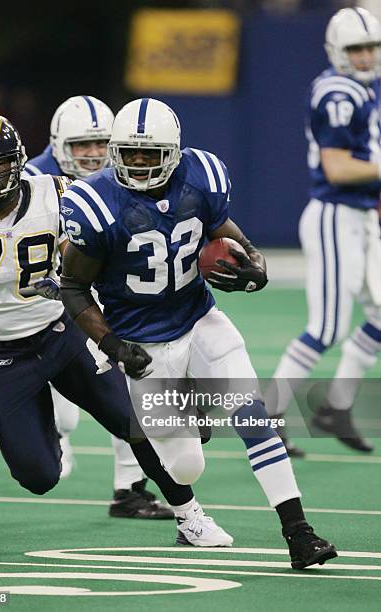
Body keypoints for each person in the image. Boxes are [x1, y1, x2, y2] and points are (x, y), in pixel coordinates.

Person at [56, 96, 337, 569]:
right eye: (130, 153)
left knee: (254, 419)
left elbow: (228, 233)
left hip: (199, 318)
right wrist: (113, 345)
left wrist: (254, 262)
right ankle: (193, 421)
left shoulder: (201, 177)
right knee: (187, 466)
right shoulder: (95, 203)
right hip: (143, 343)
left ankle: (299, 533)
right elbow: (73, 288)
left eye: (151, 154)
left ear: (175, 152)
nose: (140, 163)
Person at [0, 112, 232, 547]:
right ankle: (43, 422)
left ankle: (190, 517)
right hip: (0, 353)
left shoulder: (57, 193)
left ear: (19, 160)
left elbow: (97, 262)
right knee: (39, 476)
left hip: (62, 334)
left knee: (133, 422)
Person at [23, 94, 172, 518]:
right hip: (40, 305)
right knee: (70, 414)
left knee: (132, 380)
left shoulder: (127, 173)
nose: (92, 154)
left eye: (101, 144)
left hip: (95, 293)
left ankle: (130, 489)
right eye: (80, 146)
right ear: (58, 145)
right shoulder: (31, 182)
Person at [265, 6, 381, 455]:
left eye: (371, 47)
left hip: (360, 216)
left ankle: (336, 406)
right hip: (336, 215)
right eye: (357, 48)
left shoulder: (360, 89)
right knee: (327, 326)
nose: (367, 56)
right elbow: (336, 168)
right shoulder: (338, 93)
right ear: (337, 51)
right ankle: (270, 414)